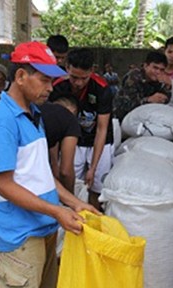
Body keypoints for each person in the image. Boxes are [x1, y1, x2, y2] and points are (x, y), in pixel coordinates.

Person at [0, 41, 98, 288]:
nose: (50, 88)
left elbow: (42, 174)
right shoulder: (1, 121)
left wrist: (74, 203)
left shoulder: (34, 114)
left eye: (52, 81)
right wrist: (57, 211)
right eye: (44, 80)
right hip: (21, 235)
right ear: (21, 77)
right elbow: (4, 185)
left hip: (44, 227)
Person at [50, 48, 114, 211]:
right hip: (71, 140)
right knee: (68, 182)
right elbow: (53, 129)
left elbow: (102, 129)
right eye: (74, 77)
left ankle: (95, 220)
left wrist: (93, 167)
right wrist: (54, 165)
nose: (78, 83)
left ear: (91, 71)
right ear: (67, 68)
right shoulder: (57, 87)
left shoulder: (102, 88)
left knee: (97, 188)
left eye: (84, 78)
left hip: (99, 142)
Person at [112, 51, 171, 122]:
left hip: (144, 119)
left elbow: (164, 100)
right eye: (155, 68)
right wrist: (148, 99)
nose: (158, 72)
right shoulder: (134, 77)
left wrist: (167, 86)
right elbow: (127, 105)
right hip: (123, 118)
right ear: (146, 66)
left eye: (162, 70)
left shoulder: (159, 80)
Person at [41, 93, 81, 193]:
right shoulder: (70, 121)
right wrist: (70, 198)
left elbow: (54, 163)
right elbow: (65, 171)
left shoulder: (37, 109)